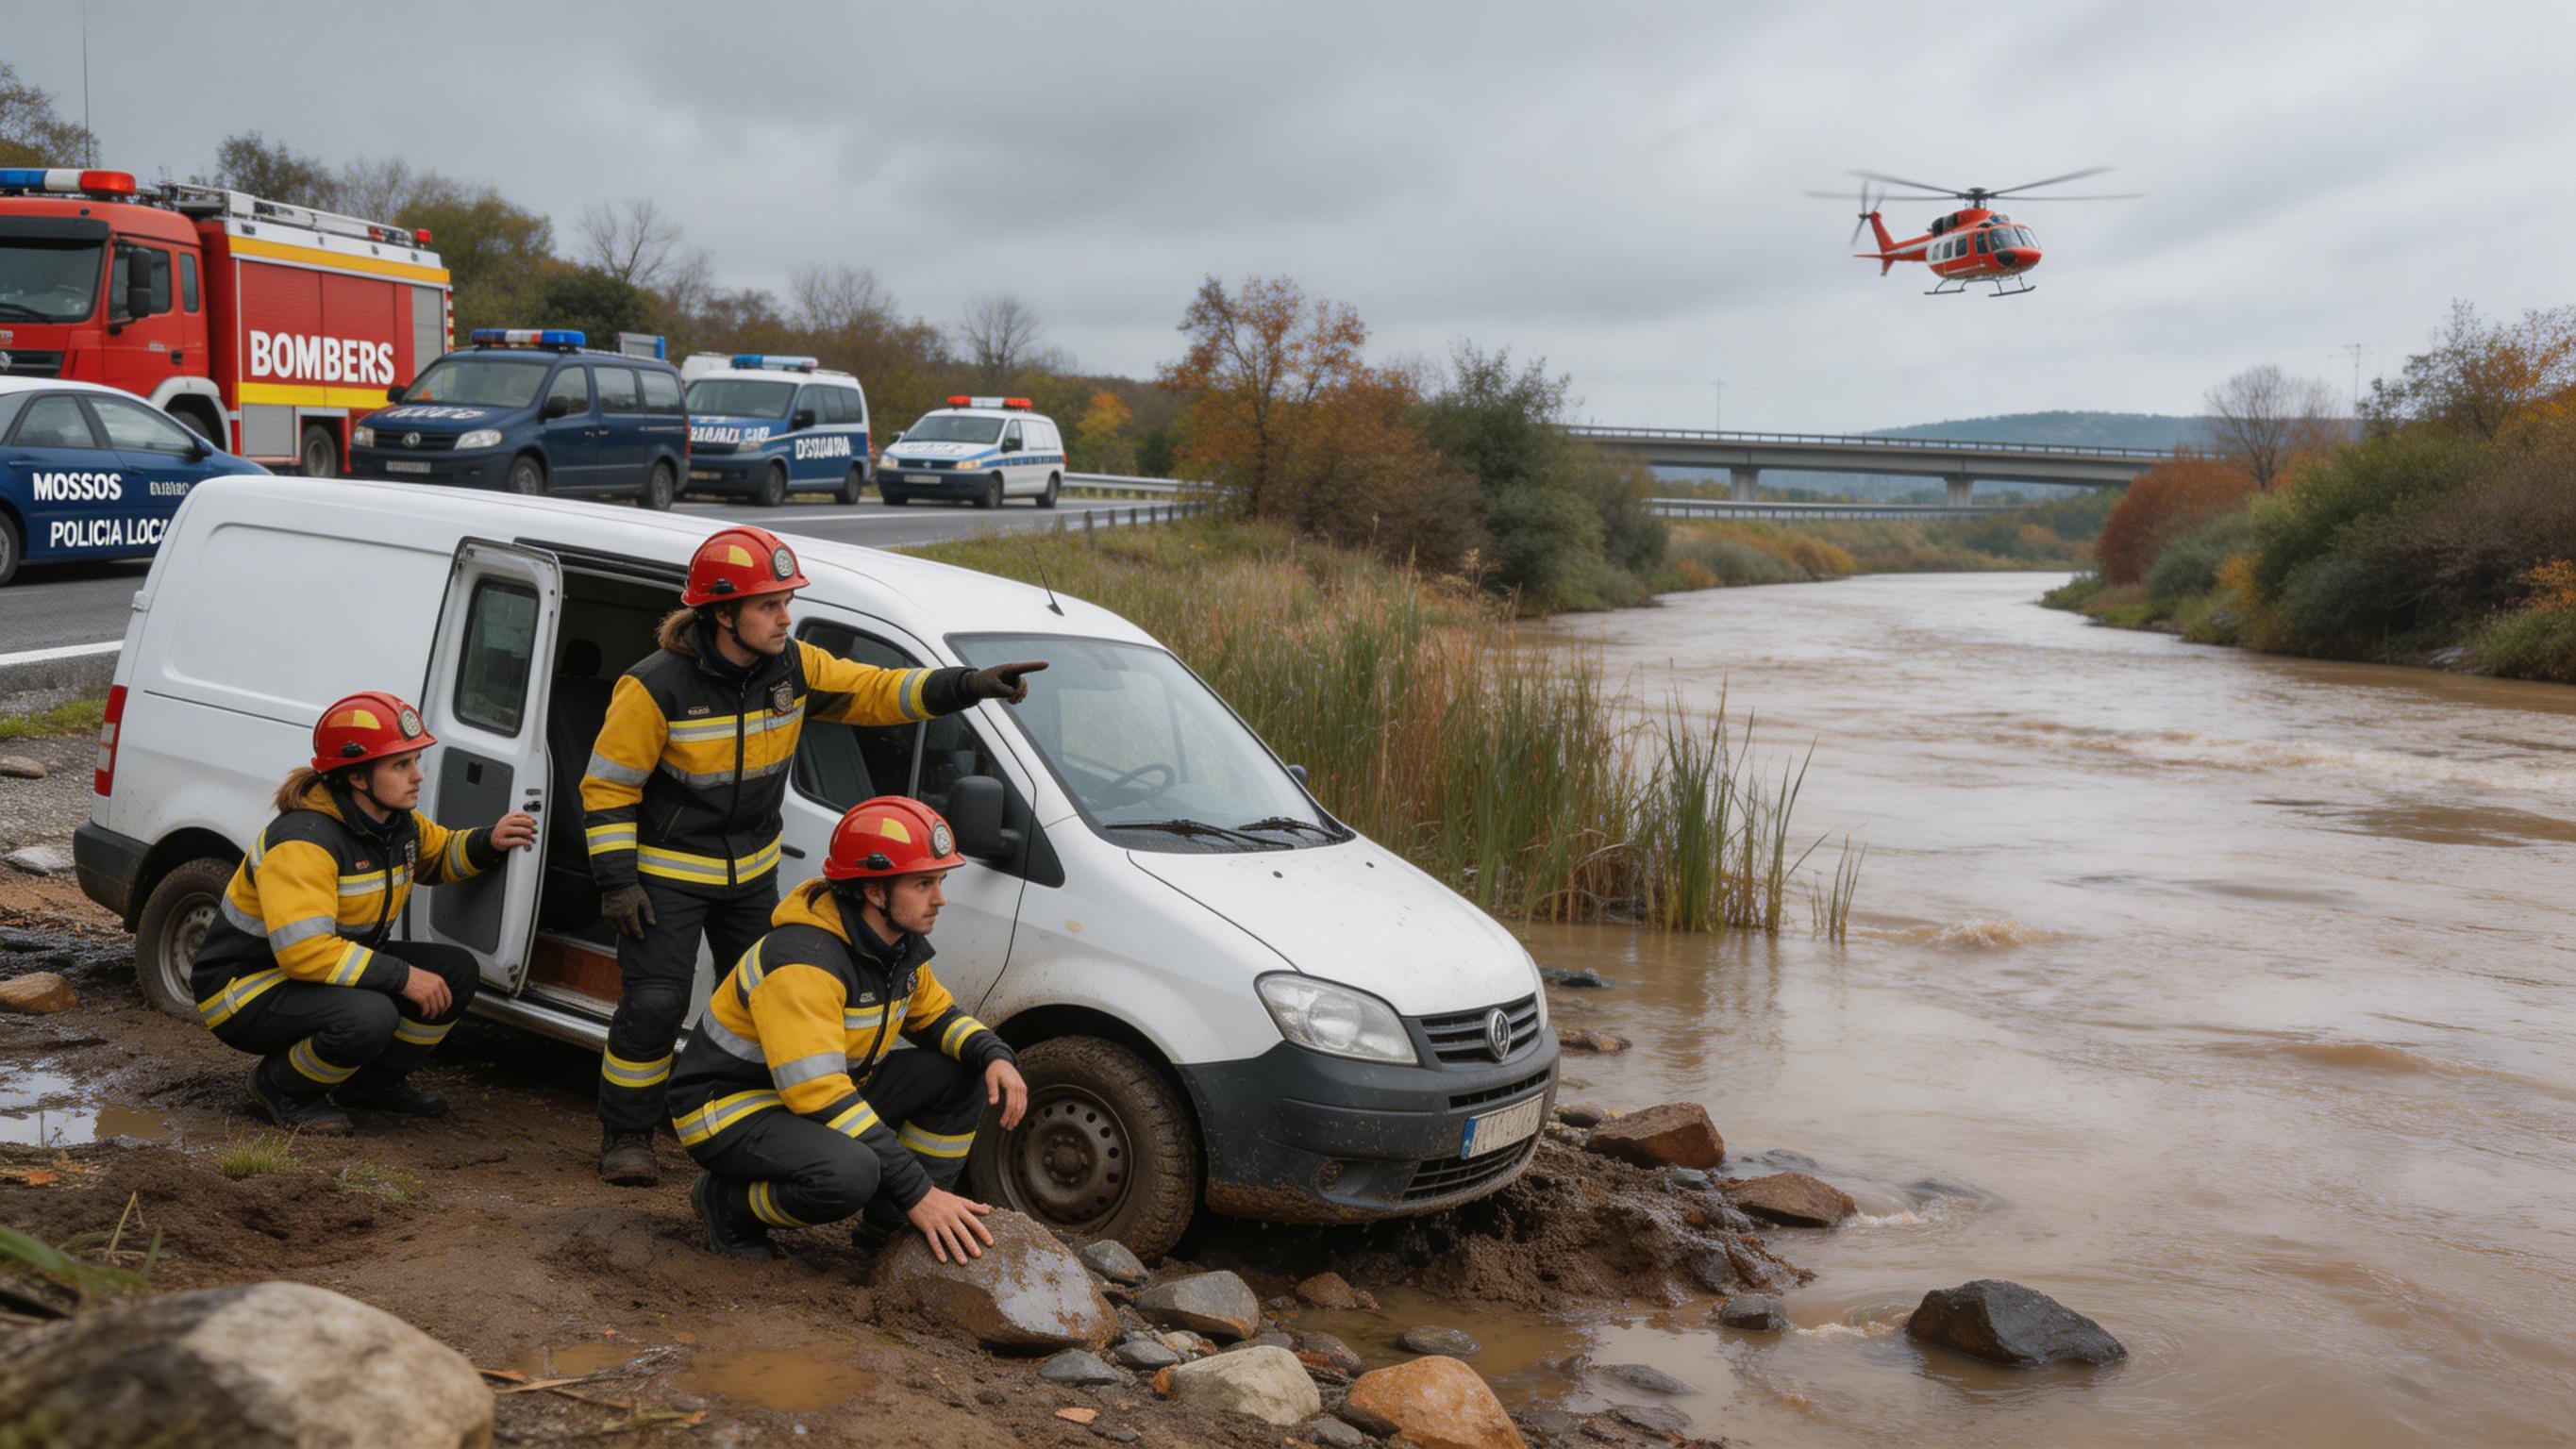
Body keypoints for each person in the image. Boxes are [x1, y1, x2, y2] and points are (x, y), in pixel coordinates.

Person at [580, 525, 1045, 1186]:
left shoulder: (793, 667)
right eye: (769, 604)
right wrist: (617, 880)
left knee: (761, 1010)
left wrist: (968, 685)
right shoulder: (654, 686)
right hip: (667, 876)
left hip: (751, 874)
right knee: (655, 1003)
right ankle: (626, 1135)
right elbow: (607, 787)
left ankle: (758, 1133)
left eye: (785, 600)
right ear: (721, 612)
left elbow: (881, 691)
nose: (784, 616)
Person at [667, 796, 1027, 1261]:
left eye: (939, 881)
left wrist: (995, 1054)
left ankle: (890, 1233)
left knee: (964, 1072)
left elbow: (937, 1016)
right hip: (727, 1109)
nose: (940, 899)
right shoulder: (804, 960)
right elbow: (818, 1093)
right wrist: (918, 1190)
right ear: (874, 892)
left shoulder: (892, 943)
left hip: (808, 1096)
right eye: (923, 884)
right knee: (849, 1175)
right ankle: (727, 1204)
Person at [192, 691, 536, 1134]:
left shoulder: (393, 821)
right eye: (401, 765)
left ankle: (371, 1084)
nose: (419, 775)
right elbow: (305, 952)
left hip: (314, 972)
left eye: (416, 760)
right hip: (244, 988)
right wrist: (402, 976)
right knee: (369, 1016)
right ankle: (281, 1087)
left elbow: (438, 856)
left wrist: (490, 840)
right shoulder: (304, 841)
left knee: (456, 971)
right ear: (357, 776)